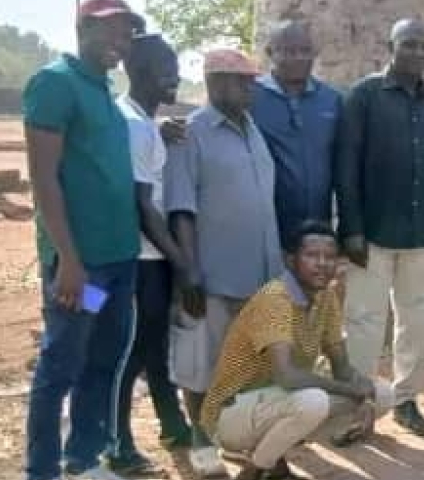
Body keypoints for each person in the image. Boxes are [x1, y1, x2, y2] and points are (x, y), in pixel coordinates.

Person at [22, 2, 142, 479]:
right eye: (115, 29)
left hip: (118, 263)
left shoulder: (104, 91)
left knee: (104, 359)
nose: (124, 41)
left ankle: (84, 459)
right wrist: (68, 260)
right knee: (62, 366)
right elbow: (44, 179)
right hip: (85, 268)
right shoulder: (55, 83)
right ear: (85, 26)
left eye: (129, 34)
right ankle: (43, 470)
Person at [164, 48, 284, 477]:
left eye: (252, 80)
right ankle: (201, 445)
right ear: (214, 82)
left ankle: (254, 448)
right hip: (212, 276)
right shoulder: (191, 133)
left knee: (254, 367)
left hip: (260, 276)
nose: (250, 87)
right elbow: (181, 207)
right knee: (200, 365)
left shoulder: (252, 129)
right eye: (241, 80)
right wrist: (189, 270)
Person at [200, 221, 396, 480]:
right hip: (231, 414)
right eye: (312, 255)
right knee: (312, 401)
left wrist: (365, 399)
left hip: (275, 403)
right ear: (291, 260)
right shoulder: (275, 298)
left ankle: (272, 459)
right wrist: (351, 391)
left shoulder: (325, 297)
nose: (323, 264)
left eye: (330, 257)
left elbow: (342, 367)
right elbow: (287, 376)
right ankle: (255, 469)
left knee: (382, 394)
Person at [336, 18, 424, 437]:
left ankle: (405, 401)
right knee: (365, 322)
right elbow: (345, 167)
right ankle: (358, 405)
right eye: (410, 45)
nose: (419, 54)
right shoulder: (364, 97)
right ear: (391, 46)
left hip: (422, 236)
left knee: (416, 322)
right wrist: (350, 229)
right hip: (371, 235)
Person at [107, 32, 193, 476]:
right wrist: (183, 264)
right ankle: (116, 443)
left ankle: (173, 425)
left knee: (156, 348)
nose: (174, 77)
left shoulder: (139, 121)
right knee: (134, 352)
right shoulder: (137, 126)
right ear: (138, 73)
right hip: (142, 260)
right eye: (165, 69)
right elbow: (144, 207)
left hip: (147, 259)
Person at [251, 20, 340, 242]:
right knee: (273, 279)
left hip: (319, 231)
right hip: (267, 230)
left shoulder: (332, 100)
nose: (299, 58)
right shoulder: (250, 97)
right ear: (270, 52)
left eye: (305, 51)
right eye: (289, 51)